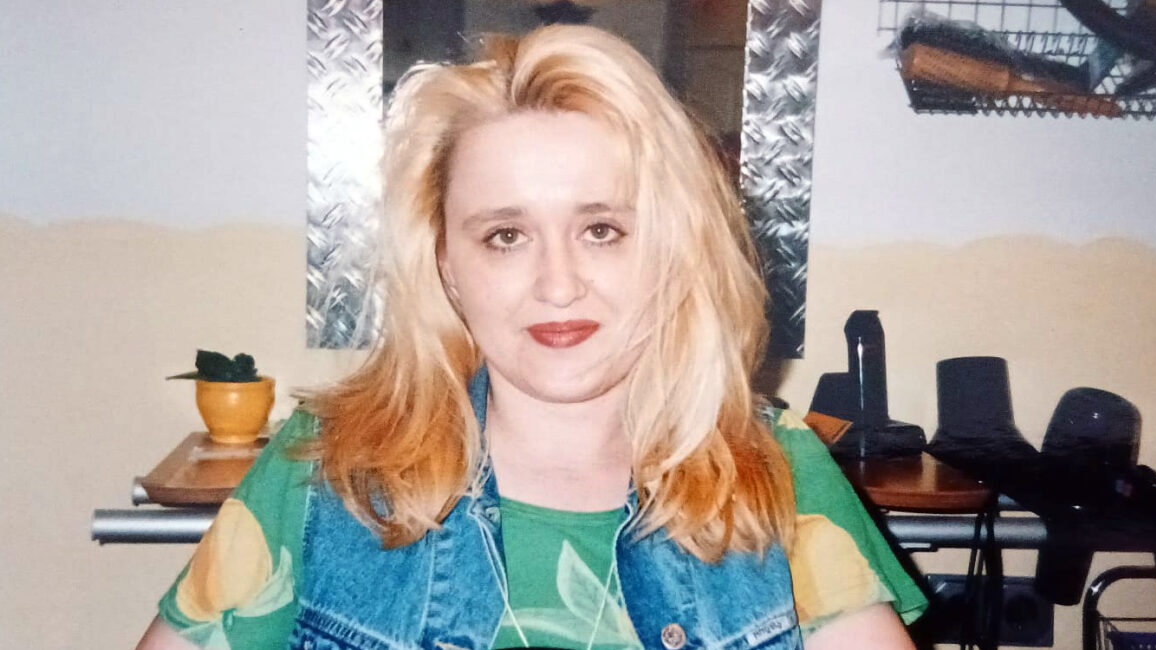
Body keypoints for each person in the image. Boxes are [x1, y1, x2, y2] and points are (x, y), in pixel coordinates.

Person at [137, 25, 927, 650]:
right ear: (447, 267)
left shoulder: (777, 472)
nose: (557, 284)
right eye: (505, 236)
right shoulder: (324, 472)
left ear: (675, 248)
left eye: (603, 229)